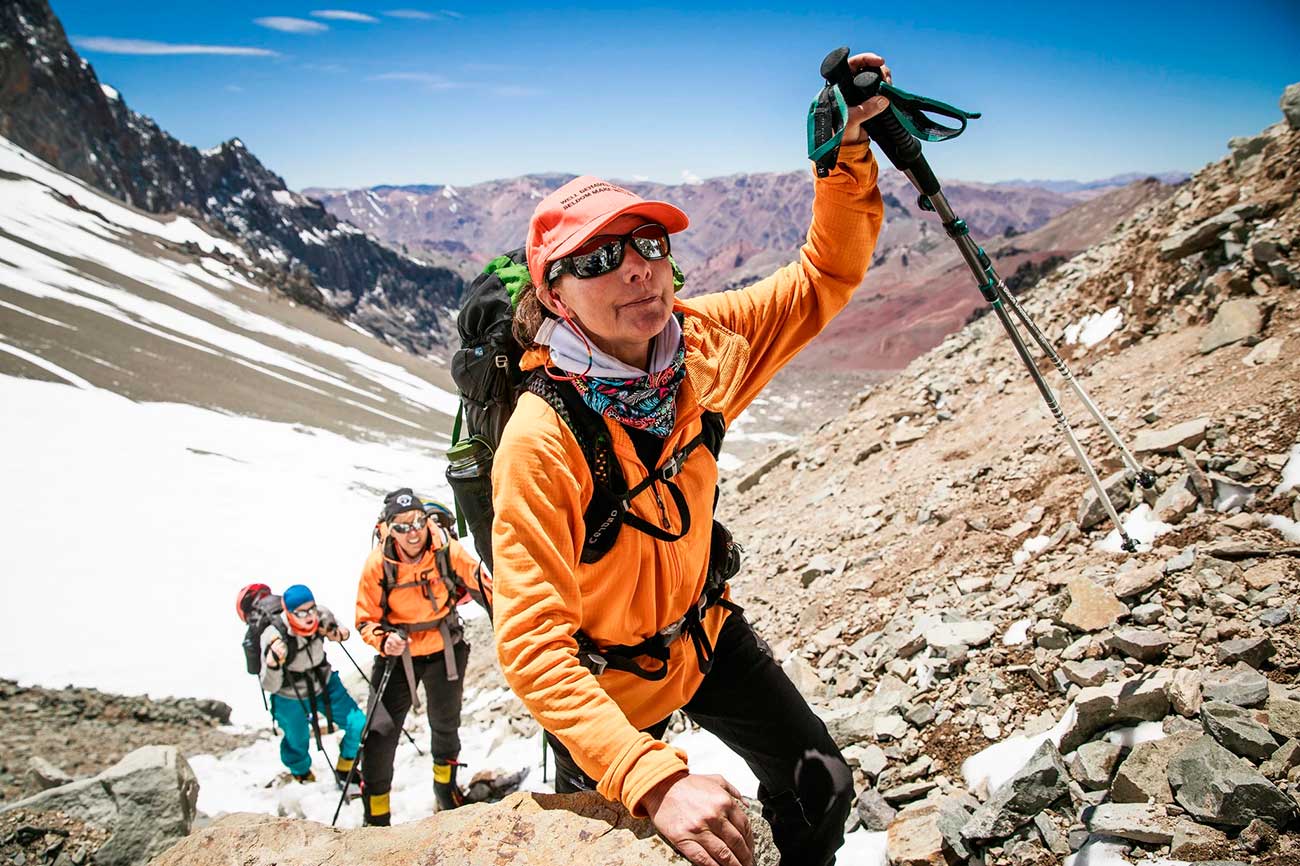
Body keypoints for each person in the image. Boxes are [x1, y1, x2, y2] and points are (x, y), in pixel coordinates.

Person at [489, 51, 890, 866]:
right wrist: (650, 776)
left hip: (705, 639)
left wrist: (844, 159)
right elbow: (531, 645)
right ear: (555, 296)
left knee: (823, 780)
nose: (637, 266)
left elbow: (824, 277)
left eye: (646, 244)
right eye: (599, 257)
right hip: (604, 683)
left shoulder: (702, 349)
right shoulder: (541, 438)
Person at [355, 487, 492, 826]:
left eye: (417, 521)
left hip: (445, 650)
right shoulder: (378, 565)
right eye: (402, 526)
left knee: (446, 725)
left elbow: (482, 584)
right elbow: (365, 619)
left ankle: (445, 794)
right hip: (397, 657)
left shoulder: (445, 547)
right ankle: (376, 816)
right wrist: (382, 639)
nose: (413, 531)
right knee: (379, 733)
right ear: (389, 529)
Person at [260, 583, 366, 785]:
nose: (309, 616)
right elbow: (270, 685)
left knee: (358, 723)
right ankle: (301, 773)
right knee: (296, 738)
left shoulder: (322, 615)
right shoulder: (273, 635)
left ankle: (346, 766)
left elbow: (341, 631)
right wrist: (273, 664)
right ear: (289, 613)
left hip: (324, 682)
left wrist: (339, 633)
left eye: (311, 609)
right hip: (288, 694)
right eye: (301, 613)